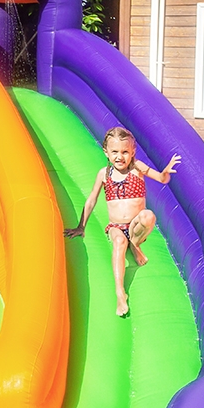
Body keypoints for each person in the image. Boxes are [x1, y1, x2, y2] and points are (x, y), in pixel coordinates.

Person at [65, 127, 181, 317]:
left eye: (125, 151)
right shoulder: (104, 174)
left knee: (148, 216)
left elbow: (161, 178)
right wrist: (81, 226)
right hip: (116, 227)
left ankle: (134, 244)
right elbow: (92, 199)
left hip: (136, 225)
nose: (120, 156)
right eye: (115, 152)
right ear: (106, 152)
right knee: (119, 242)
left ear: (133, 152)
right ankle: (120, 293)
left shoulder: (137, 168)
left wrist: (166, 172)